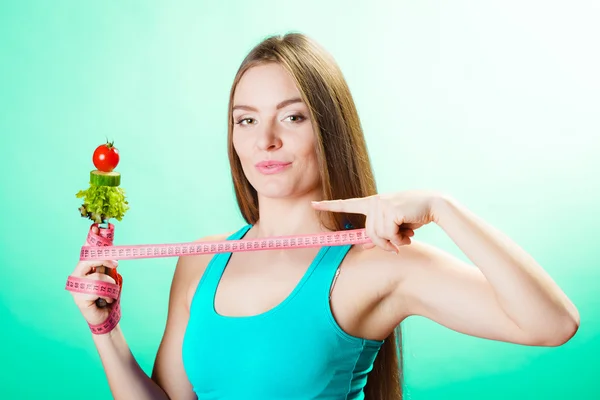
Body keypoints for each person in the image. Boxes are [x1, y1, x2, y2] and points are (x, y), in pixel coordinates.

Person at [68, 32, 580, 400]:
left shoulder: (378, 265)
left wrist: (442, 208)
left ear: (329, 129)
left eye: (292, 117)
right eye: (246, 120)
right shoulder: (200, 262)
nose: (265, 140)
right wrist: (106, 332)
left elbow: (553, 323)